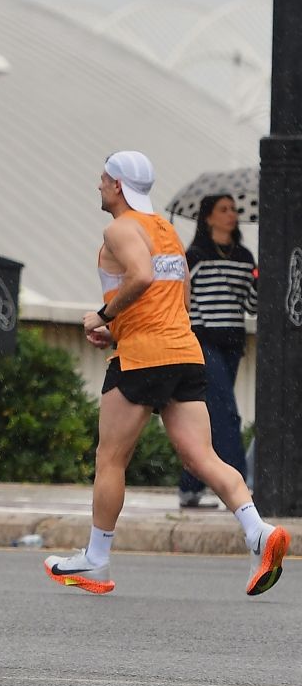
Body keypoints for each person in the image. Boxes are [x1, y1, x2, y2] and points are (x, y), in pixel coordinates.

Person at [46, 151, 290, 596]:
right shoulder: (166, 231)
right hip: (184, 352)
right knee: (202, 457)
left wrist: (103, 317)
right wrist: (118, 330)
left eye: (103, 178)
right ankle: (258, 531)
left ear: (118, 185)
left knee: (110, 459)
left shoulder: (121, 228)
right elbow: (179, 294)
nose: (98, 185)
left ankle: (96, 559)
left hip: (142, 358)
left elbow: (140, 276)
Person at [177, 193, 257, 508]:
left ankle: (190, 487)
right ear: (208, 217)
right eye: (223, 209)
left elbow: (251, 305)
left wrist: (260, 281)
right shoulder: (195, 256)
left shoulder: (245, 257)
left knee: (210, 415)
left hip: (232, 342)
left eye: (233, 209)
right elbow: (181, 297)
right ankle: (238, 488)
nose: (231, 214)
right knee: (226, 413)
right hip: (203, 341)